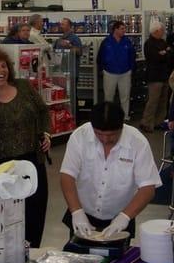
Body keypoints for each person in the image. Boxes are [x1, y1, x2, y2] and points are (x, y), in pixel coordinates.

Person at [0, 49, 51, 248]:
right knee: (7, 220)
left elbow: (43, 111)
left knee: (35, 215)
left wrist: (47, 134)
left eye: (3, 66)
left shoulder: (24, 86)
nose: (1, 70)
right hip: (2, 168)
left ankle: (32, 255)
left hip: (33, 164)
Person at [60, 101, 161, 239]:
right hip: (83, 214)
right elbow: (67, 175)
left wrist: (124, 217)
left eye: (111, 135)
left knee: (119, 259)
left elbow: (148, 187)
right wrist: (76, 212)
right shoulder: (80, 136)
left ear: (122, 127)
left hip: (121, 216)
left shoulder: (137, 142)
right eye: (99, 134)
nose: (105, 140)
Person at [97, 21, 136, 121]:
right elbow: (100, 57)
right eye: (122, 29)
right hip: (110, 72)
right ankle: (108, 117)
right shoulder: (106, 42)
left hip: (125, 72)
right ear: (116, 29)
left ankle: (125, 117)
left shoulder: (127, 41)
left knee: (125, 96)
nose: (124, 31)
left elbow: (132, 56)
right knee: (109, 97)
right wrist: (102, 69)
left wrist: (131, 69)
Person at [139, 21, 169, 133]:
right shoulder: (149, 43)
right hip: (154, 76)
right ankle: (146, 122)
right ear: (156, 31)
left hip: (164, 75)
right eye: (162, 30)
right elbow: (154, 57)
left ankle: (159, 122)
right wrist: (164, 53)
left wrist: (164, 53)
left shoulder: (163, 42)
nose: (163, 32)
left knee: (163, 100)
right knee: (153, 100)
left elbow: (169, 54)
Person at [54, 17, 82, 84]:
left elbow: (79, 52)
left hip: (71, 73)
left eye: (63, 24)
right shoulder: (59, 39)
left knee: (72, 93)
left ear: (69, 26)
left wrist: (70, 46)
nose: (61, 26)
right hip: (61, 72)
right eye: (61, 24)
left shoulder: (75, 38)